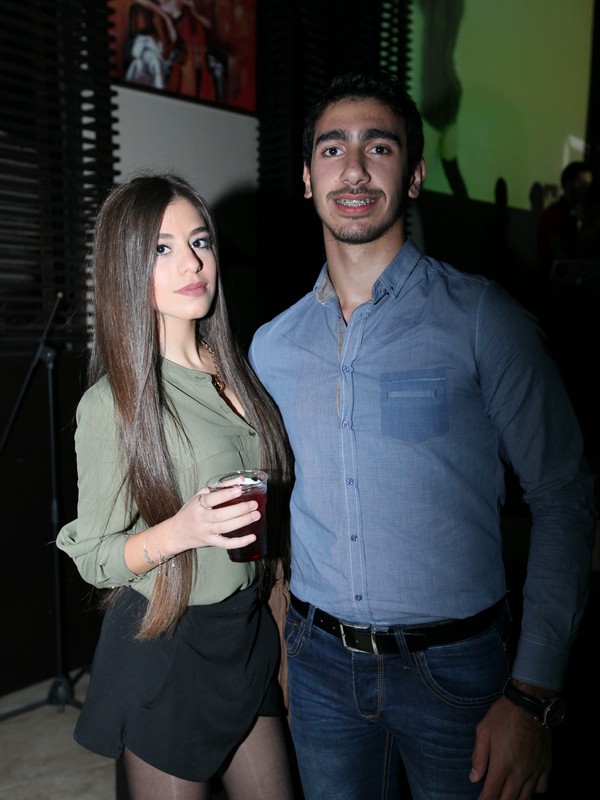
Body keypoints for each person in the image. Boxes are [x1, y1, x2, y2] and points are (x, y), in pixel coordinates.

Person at [248, 71, 597, 799]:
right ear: (308, 178)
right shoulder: (272, 348)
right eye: (332, 149)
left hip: (461, 676)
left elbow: (565, 498)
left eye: (378, 148)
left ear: (413, 175)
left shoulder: (484, 320)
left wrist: (534, 694)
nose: (353, 169)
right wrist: (284, 644)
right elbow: (274, 512)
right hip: (318, 668)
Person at [56, 172, 295, 800]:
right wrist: (183, 530)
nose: (192, 262)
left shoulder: (237, 370)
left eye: (200, 242)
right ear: (128, 268)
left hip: (245, 637)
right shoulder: (113, 403)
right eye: (162, 248)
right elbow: (94, 557)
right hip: (169, 649)